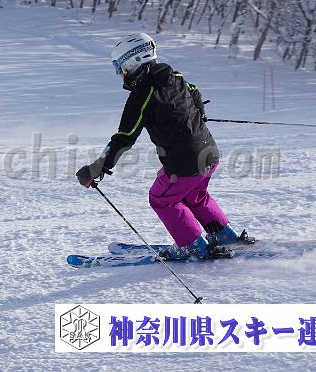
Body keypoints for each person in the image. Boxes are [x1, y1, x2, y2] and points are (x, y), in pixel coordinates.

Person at [76, 33, 251, 260]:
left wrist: (97, 168)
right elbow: (194, 91)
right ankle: (224, 235)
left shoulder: (142, 94)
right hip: (209, 153)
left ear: (133, 62)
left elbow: (125, 137)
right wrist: (198, 114)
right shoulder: (174, 76)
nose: (120, 74)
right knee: (195, 196)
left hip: (185, 165)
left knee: (161, 198)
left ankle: (192, 246)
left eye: (120, 67)